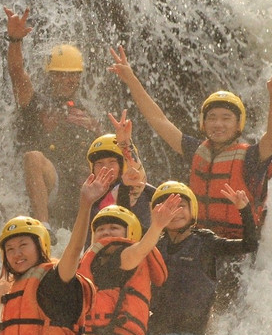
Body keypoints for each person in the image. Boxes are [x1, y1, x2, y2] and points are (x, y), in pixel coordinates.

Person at [109, 45, 272, 238]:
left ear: (239, 125)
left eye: (226, 118)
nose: (218, 124)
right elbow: (159, 121)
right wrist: (131, 79)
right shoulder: (197, 151)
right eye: (212, 117)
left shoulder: (252, 157)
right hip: (201, 243)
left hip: (239, 251)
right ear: (203, 123)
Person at [58, 189, 179, 335]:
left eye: (114, 228)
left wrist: (157, 227)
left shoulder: (124, 255)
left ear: (129, 233)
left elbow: (139, 250)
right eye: (100, 229)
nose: (106, 232)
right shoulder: (89, 262)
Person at [4, 7, 102, 230]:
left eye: (74, 74)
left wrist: (97, 131)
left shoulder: (86, 112)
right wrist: (15, 40)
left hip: (79, 191)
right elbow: (17, 73)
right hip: (51, 185)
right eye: (62, 74)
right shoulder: (36, 102)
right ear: (51, 75)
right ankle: (43, 228)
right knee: (33, 157)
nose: (70, 80)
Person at [142, 180, 258, 335]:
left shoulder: (206, 243)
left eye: (181, 206)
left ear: (192, 210)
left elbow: (250, 245)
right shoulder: (155, 245)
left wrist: (244, 209)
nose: (176, 212)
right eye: (169, 207)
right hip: (155, 327)